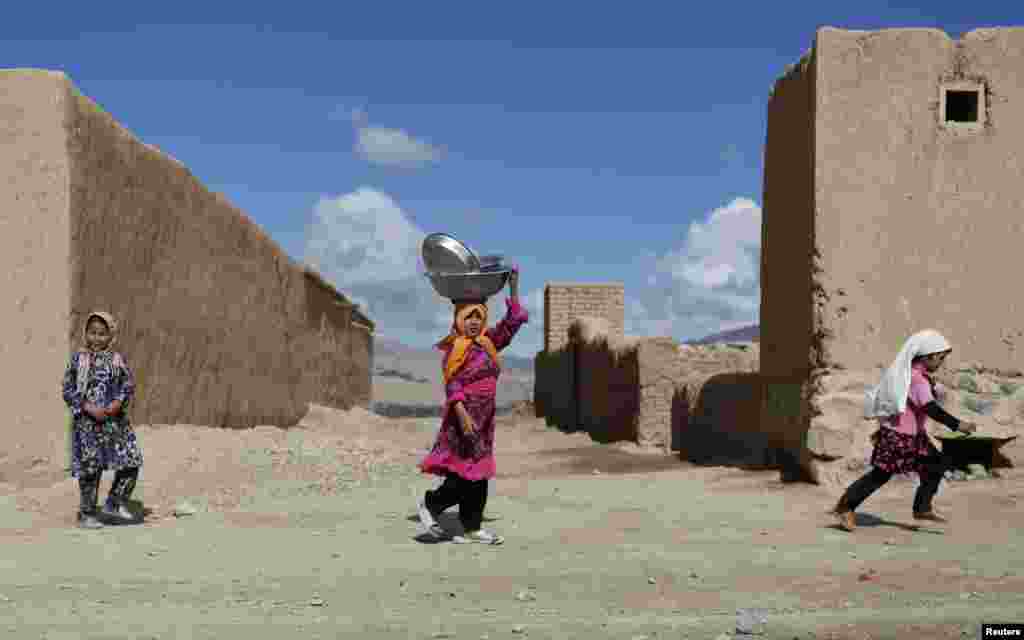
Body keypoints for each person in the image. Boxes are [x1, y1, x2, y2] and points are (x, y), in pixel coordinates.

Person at [417, 268, 528, 545]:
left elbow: (512, 323)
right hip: (462, 420)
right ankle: (430, 504)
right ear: (458, 320)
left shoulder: (488, 343)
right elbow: (452, 385)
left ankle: (472, 526)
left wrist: (513, 287)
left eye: (479, 317)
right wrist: (463, 415)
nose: (475, 323)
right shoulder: (455, 349)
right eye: (469, 318)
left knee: (480, 474)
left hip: (485, 421)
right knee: (462, 475)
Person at [833, 329, 976, 531]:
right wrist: (957, 424)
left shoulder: (916, 375)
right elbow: (930, 408)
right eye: (941, 358)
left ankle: (922, 507)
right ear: (929, 356)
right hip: (898, 437)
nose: (941, 363)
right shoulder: (916, 379)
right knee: (881, 475)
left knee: (936, 464)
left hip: (913, 436)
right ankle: (845, 507)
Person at [62, 311, 145, 529]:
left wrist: (118, 402)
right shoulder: (78, 359)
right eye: (92, 333)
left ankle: (115, 503)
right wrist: (87, 406)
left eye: (102, 334)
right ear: (86, 334)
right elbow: (68, 389)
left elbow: (127, 385)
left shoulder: (117, 360)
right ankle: (87, 513)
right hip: (87, 425)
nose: (96, 338)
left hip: (114, 422)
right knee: (91, 467)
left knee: (131, 460)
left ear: (111, 336)